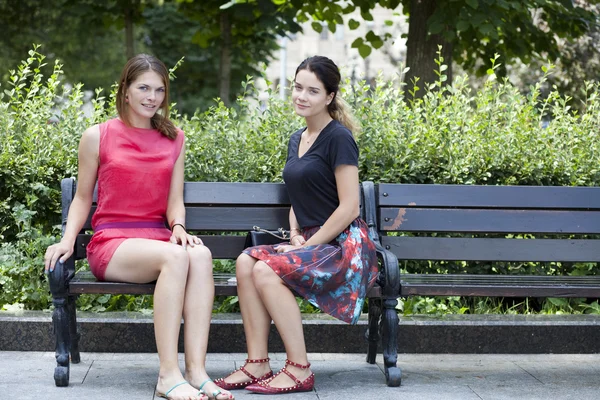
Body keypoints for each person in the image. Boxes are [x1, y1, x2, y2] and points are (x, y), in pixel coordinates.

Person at [43, 54, 233, 400]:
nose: (152, 97)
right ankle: (167, 375)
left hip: (156, 238)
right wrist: (68, 239)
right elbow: (83, 198)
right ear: (125, 91)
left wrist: (177, 225)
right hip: (112, 242)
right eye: (143, 87)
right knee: (176, 259)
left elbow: (175, 198)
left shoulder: (175, 137)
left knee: (201, 256)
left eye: (159, 90)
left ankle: (196, 371)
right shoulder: (97, 136)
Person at [214, 55, 378, 395]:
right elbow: (297, 198)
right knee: (246, 262)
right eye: (297, 87)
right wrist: (295, 235)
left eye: (312, 91)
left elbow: (349, 208)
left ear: (330, 97)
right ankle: (257, 362)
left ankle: (299, 368)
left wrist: (307, 244)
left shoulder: (339, 138)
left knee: (265, 270)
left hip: (342, 245)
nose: (301, 96)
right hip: (311, 241)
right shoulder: (296, 138)